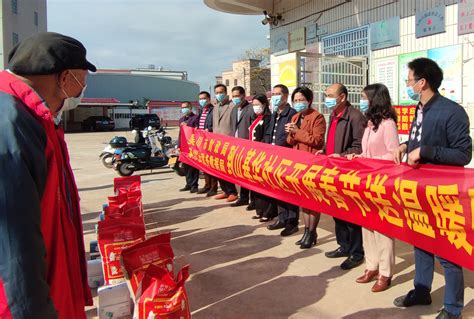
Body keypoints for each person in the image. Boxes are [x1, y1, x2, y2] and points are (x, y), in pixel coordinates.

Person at [0, 32, 95, 318]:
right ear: (66, 78)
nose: (82, 90)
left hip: (52, 286)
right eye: (82, 80)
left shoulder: (35, 117)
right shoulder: (11, 123)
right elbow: (13, 243)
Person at [392, 58, 471, 319]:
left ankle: (452, 308)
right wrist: (406, 145)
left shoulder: (452, 111)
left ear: (422, 82)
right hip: (418, 188)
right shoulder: (420, 108)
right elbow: (421, 137)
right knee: (420, 242)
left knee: (448, 250)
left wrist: (426, 152)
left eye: (409, 80)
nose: (408, 84)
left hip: (444, 192)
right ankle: (422, 290)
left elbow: (463, 154)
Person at [346, 83, 398, 292]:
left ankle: (386, 272)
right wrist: (357, 158)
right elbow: (367, 152)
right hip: (365, 182)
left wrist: (371, 162)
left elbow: (393, 154)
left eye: (365, 98)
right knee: (366, 225)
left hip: (381, 183)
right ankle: (371, 265)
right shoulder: (370, 124)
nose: (362, 101)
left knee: (382, 229)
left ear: (375, 99)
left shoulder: (388, 124)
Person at [322, 83, 366, 270]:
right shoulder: (333, 115)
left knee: (351, 214)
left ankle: (356, 252)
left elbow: (359, 146)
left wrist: (340, 156)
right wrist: (322, 151)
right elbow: (331, 141)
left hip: (348, 172)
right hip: (332, 170)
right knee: (337, 211)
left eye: (330, 95)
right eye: (326, 95)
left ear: (342, 97)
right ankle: (344, 245)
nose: (327, 98)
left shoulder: (355, 117)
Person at [286, 86, 326, 249]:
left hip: (311, 162)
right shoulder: (295, 116)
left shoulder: (317, 117)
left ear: (309, 100)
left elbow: (317, 141)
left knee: (312, 200)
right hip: (298, 163)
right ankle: (307, 231)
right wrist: (290, 133)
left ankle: (312, 231)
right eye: (295, 100)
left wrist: (297, 131)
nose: (298, 103)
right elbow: (290, 141)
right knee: (303, 199)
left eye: (301, 100)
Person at [264, 84, 299, 237]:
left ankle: (292, 222)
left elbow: (291, 136)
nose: (275, 97)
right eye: (273, 94)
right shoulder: (274, 114)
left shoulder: (292, 114)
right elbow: (269, 134)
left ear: (285, 96)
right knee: (278, 189)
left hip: (287, 158)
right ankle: (282, 218)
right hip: (273, 157)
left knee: (289, 190)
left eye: (278, 94)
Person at [249, 94, 277, 222]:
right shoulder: (256, 118)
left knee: (265, 184)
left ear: (264, 105)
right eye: (253, 104)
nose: (255, 107)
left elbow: (266, 137)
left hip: (262, 155)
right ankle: (259, 210)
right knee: (256, 185)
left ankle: (269, 211)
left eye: (257, 104)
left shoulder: (268, 118)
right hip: (253, 155)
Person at [229, 86, 256, 208]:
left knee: (250, 175)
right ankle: (243, 197)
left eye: (237, 96)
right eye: (233, 96)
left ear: (243, 95)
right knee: (241, 174)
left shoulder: (251, 109)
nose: (235, 98)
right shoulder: (234, 109)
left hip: (248, 147)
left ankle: (254, 201)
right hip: (237, 147)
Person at [212, 83, 238, 202]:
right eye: (217, 93)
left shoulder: (233, 106)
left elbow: (234, 125)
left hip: (228, 142)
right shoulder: (215, 107)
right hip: (216, 143)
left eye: (221, 92)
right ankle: (225, 190)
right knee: (218, 168)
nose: (219, 95)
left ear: (226, 93)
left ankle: (232, 192)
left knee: (228, 169)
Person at [196, 91, 218, 197]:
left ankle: (213, 187)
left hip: (210, 141)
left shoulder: (213, 110)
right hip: (202, 141)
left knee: (211, 165)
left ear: (209, 99)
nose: (202, 101)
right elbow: (199, 122)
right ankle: (207, 185)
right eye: (200, 99)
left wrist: (208, 129)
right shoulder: (201, 110)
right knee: (204, 165)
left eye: (204, 98)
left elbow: (216, 125)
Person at [178, 101, 200, 193]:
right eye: (183, 107)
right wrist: (179, 145)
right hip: (184, 145)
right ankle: (188, 183)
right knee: (185, 166)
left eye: (186, 107)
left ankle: (194, 185)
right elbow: (180, 134)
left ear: (190, 107)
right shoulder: (181, 119)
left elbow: (197, 131)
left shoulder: (195, 118)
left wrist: (188, 126)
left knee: (193, 166)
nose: (184, 109)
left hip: (193, 145)